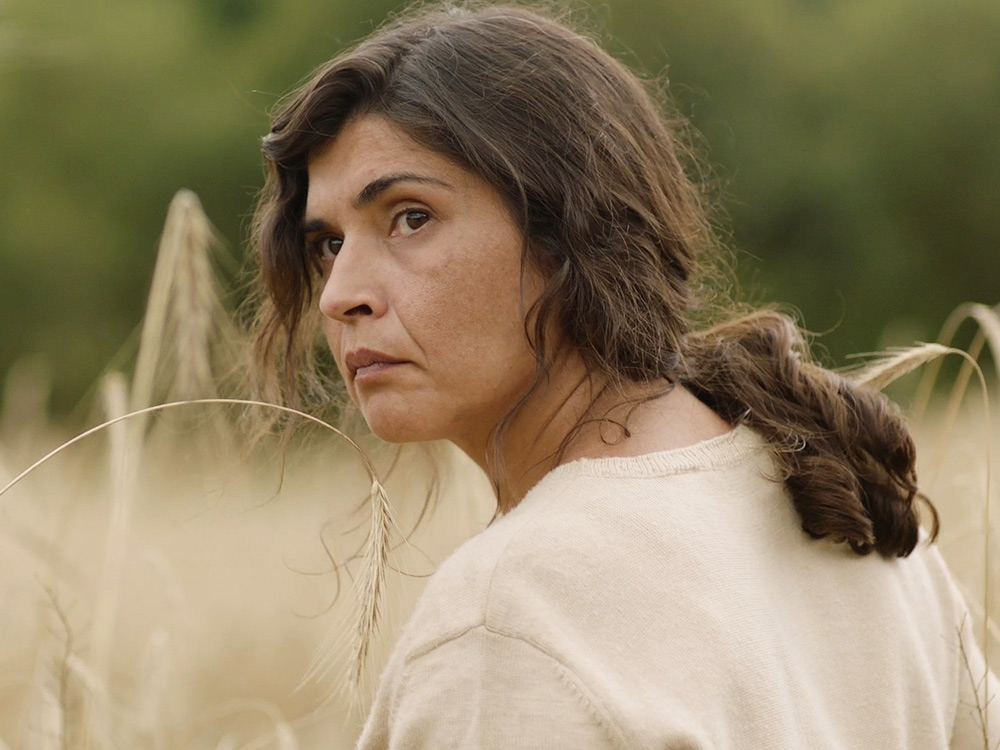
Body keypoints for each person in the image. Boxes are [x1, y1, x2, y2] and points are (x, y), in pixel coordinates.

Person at [249, 3, 998, 748]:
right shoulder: (853, 513)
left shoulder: (511, 623)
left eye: (411, 217)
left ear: (574, 227)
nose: (341, 293)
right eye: (326, 243)